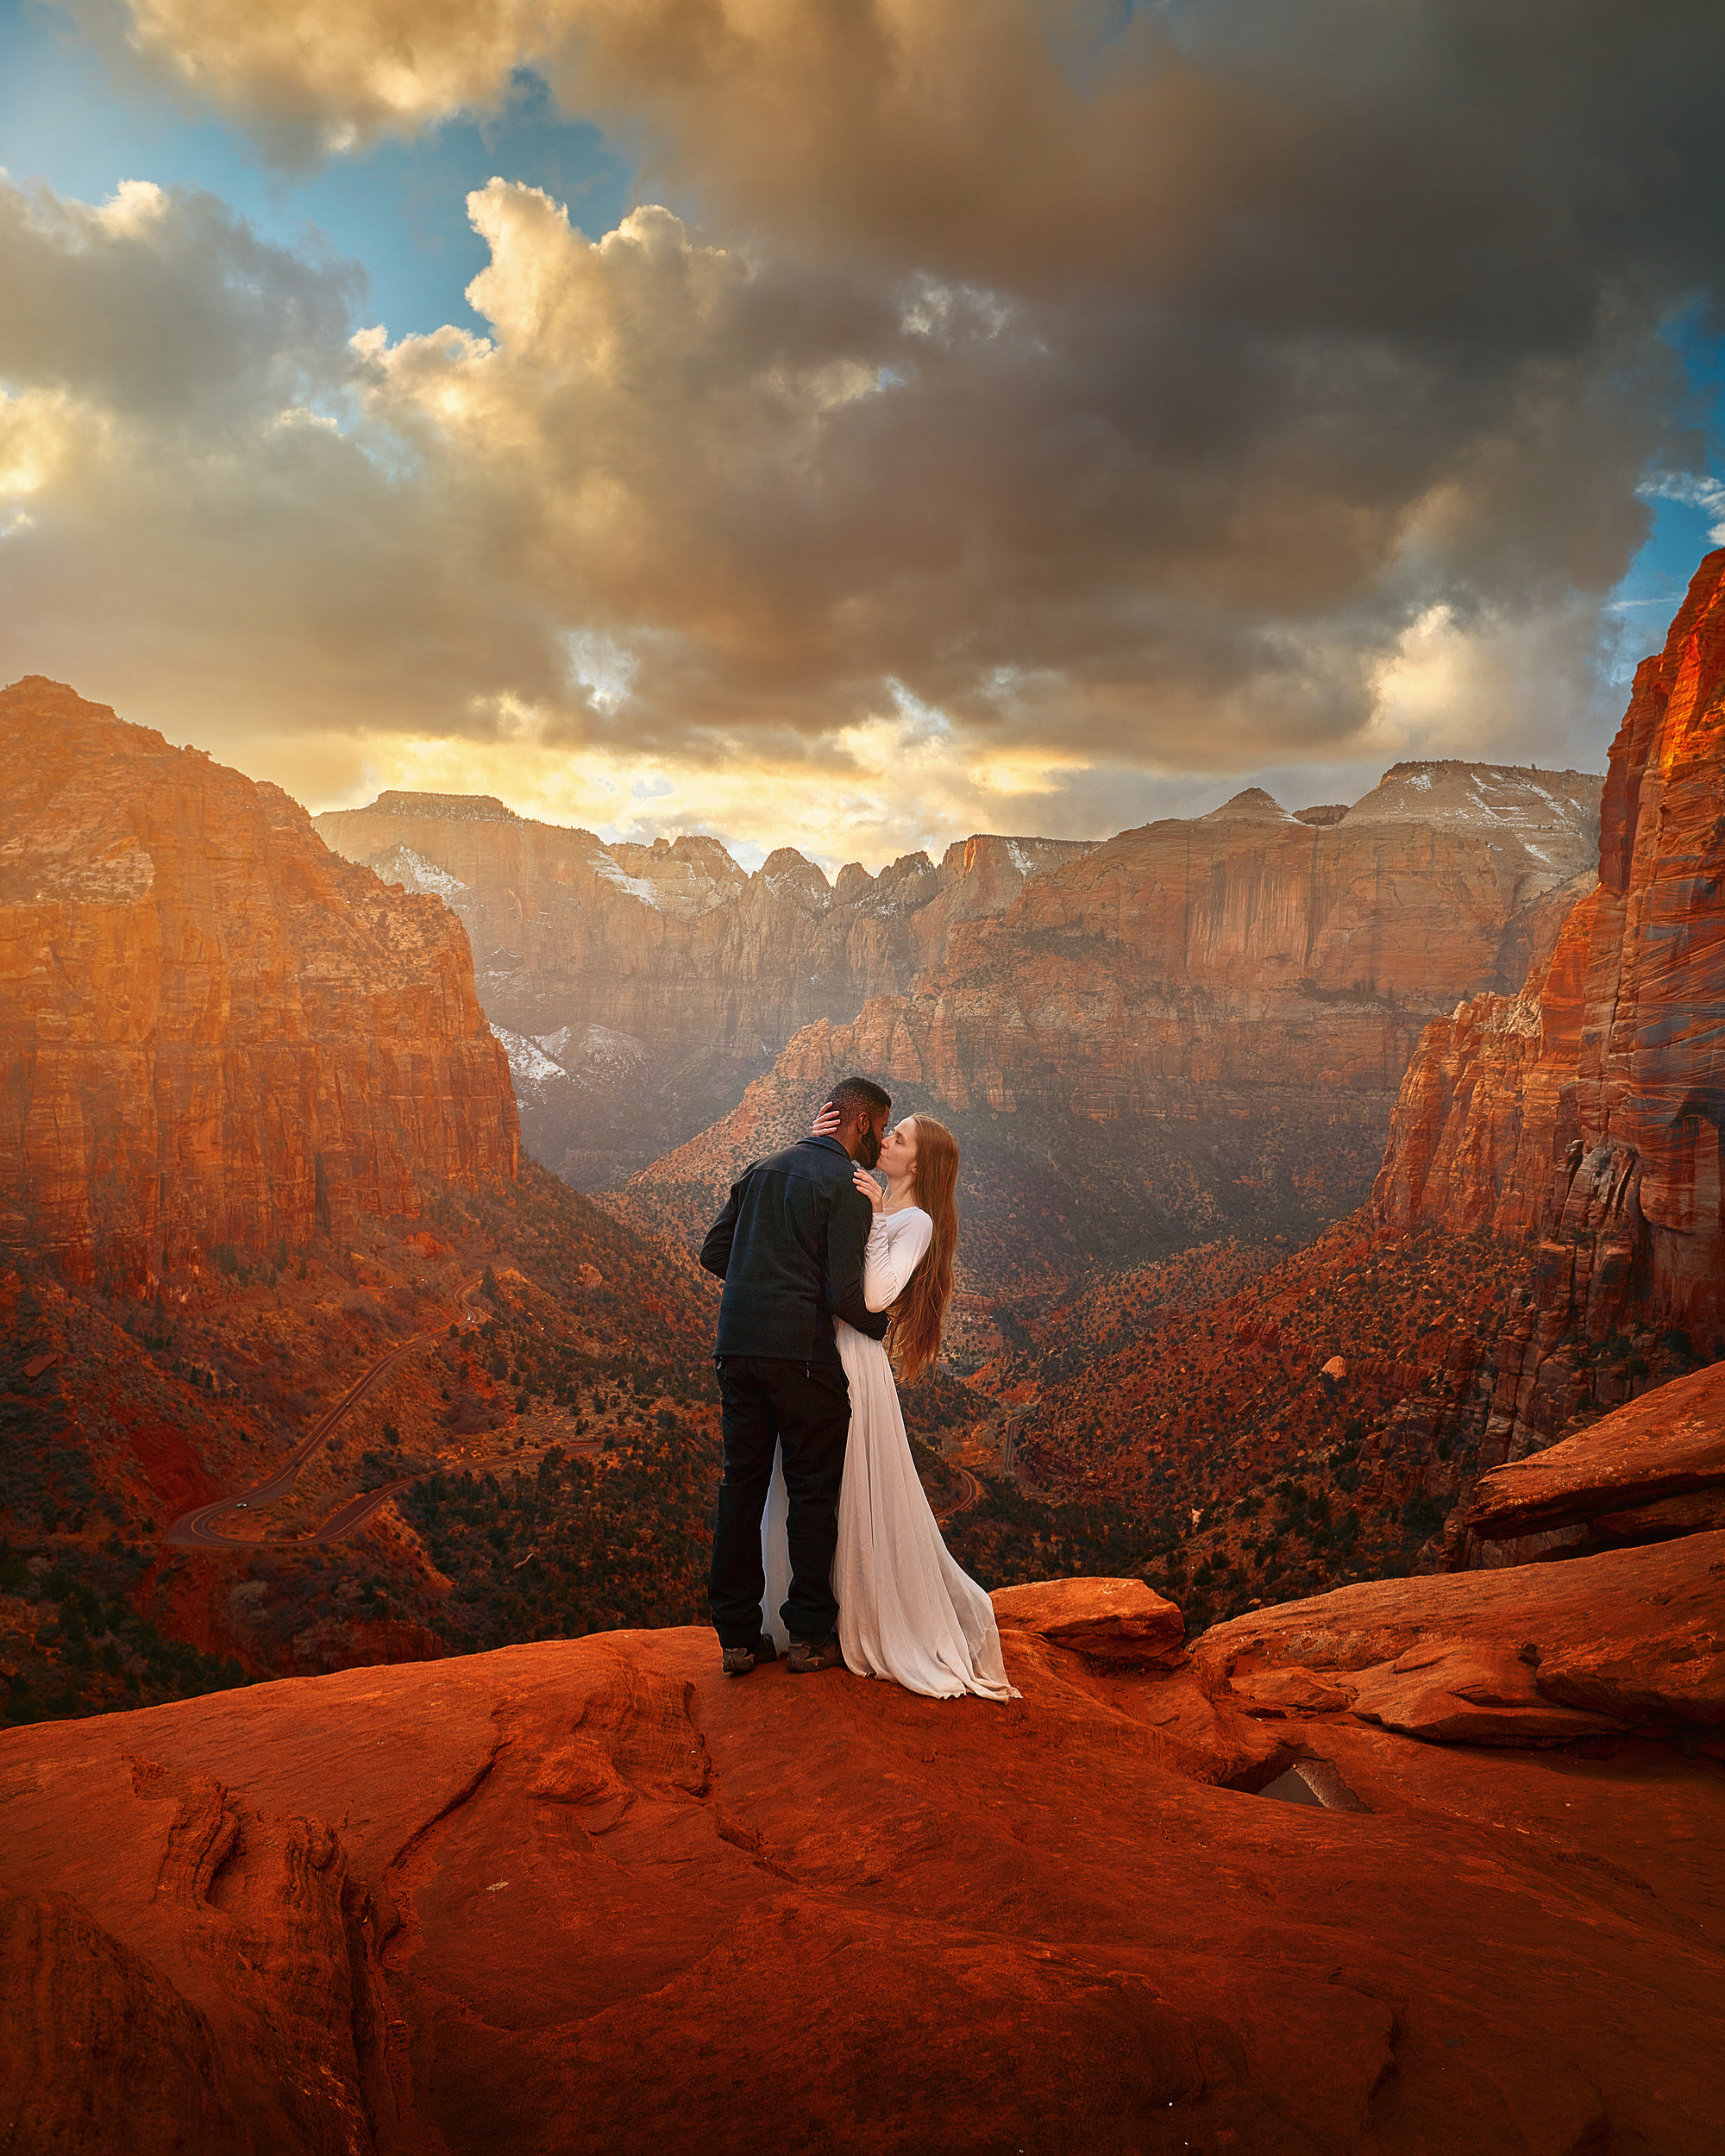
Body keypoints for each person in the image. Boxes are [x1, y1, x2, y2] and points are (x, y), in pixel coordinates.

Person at [758, 1103, 1018, 1702]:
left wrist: (872, 1217)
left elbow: (871, 1296)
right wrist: (817, 1143)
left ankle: (854, 1618)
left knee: (841, 1489)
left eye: (897, 1137)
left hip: (851, 1362)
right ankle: (805, 1618)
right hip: (816, 1353)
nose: (885, 1138)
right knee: (810, 1489)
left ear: (918, 1164)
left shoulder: (915, 1221)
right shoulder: (872, 1198)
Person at [699, 1074, 893, 1676]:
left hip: (737, 1350)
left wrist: (764, 1271)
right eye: (880, 1130)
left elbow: (713, 1253)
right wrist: (882, 1327)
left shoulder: (761, 1168)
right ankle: (809, 1635)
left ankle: (736, 1635)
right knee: (812, 1490)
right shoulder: (845, 1185)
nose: (880, 1146)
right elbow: (842, 1291)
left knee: (742, 1486)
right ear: (858, 1122)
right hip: (802, 1357)